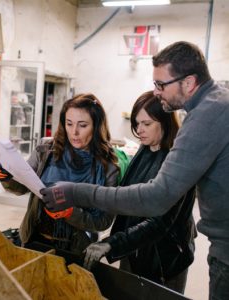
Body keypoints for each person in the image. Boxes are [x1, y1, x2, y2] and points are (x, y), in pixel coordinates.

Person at [40, 41, 229, 300]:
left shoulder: (205, 116)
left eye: (161, 85)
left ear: (188, 82)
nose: (157, 92)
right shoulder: (219, 97)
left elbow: (156, 199)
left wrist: (76, 192)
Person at [83, 91, 196, 294]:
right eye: (137, 124)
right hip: (135, 248)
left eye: (146, 124)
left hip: (165, 259)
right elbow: (128, 197)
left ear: (165, 121)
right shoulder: (146, 148)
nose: (139, 130)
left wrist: (113, 243)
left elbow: (160, 221)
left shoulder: (179, 160)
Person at [0, 93, 119, 255]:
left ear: (96, 126)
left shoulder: (108, 169)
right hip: (34, 238)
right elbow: (21, 188)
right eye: (69, 123)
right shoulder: (46, 151)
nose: (74, 132)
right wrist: (7, 177)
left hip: (75, 249)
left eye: (82, 125)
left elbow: (103, 221)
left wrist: (70, 213)